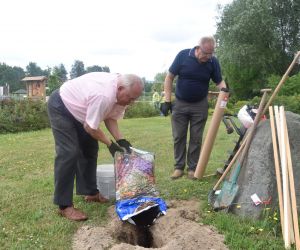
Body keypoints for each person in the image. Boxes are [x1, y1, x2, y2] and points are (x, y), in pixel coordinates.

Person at [47, 72, 144, 221]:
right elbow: (91, 127)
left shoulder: (121, 96)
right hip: (62, 105)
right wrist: (110, 144)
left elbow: (111, 117)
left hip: (81, 110)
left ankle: (90, 192)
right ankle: (64, 206)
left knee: (90, 148)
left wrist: (121, 140)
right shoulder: (103, 95)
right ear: (120, 88)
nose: (131, 102)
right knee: (69, 152)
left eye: (134, 99)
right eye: (130, 98)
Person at [161, 36, 227, 180]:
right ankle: (179, 167)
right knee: (179, 136)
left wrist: (225, 91)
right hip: (180, 103)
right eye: (206, 53)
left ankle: (192, 168)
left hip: (200, 104)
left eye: (211, 54)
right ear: (198, 48)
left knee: (196, 138)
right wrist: (167, 100)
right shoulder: (183, 55)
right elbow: (169, 77)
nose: (208, 57)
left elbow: (219, 81)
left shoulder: (212, 62)